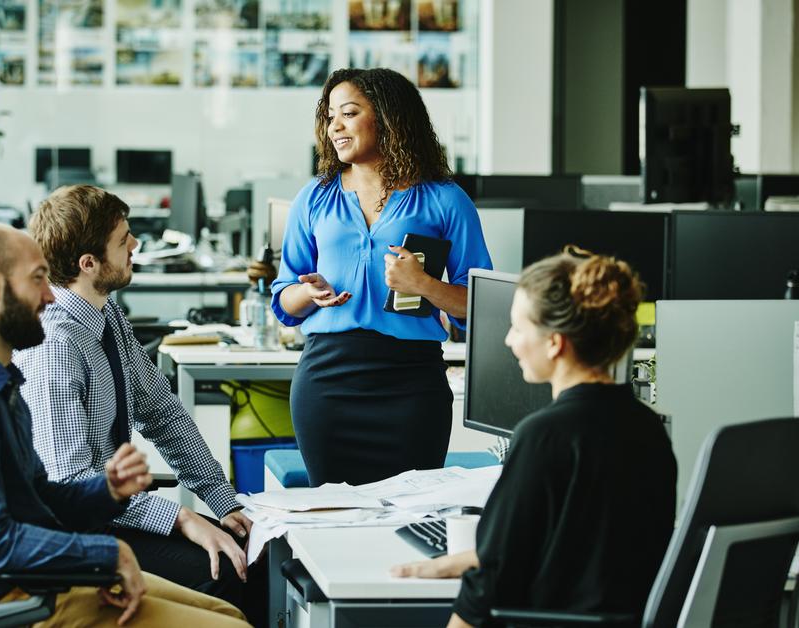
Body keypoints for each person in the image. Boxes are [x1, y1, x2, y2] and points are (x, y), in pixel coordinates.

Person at [0, 222, 248, 627]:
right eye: (38, 279)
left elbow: (37, 496)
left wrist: (108, 491)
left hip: (47, 576)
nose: (50, 296)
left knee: (226, 611)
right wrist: (104, 556)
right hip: (21, 598)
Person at [390, 248, 677, 628]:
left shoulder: (545, 436)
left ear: (555, 343)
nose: (509, 341)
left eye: (518, 328)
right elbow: (577, 546)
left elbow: (490, 582)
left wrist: (478, 564)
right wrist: (468, 557)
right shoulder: (648, 426)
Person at [16, 185, 263, 621]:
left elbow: (163, 414)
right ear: (88, 264)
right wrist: (181, 519)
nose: (135, 245)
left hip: (115, 510)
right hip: (82, 531)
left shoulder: (106, 314)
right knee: (228, 571)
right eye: (123, 240)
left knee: (250, 549)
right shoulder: (55, 347)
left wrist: (223, 502)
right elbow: (71, 482)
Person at [270, 67, 493, 486]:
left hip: (411, 386)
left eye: (349, 113)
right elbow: (283, 300)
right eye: (330, 115)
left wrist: (424, 285)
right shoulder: (314, 197)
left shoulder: (445, 199)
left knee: (413, 517)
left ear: (388, 118)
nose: (335, 126)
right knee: (334, 517)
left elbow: (481, 307)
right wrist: (307, 292)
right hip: (327, 383)